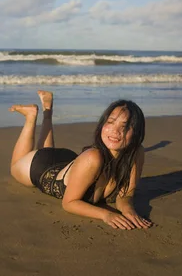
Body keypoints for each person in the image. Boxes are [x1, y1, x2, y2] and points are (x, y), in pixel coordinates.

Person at [9, 90, 152, 230]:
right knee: (16, 165)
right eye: (111, 122)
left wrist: (128, 210)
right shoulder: (93, 158)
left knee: (47, 150)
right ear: (102, 124)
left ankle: (47, 111)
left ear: (136, 133)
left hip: (68, 161)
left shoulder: (136, 153)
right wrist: (106, 215)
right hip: (39, 167)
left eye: (125, 126)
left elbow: (126, 194)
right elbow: (69, 203)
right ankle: (30, 116)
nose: (115, 131)